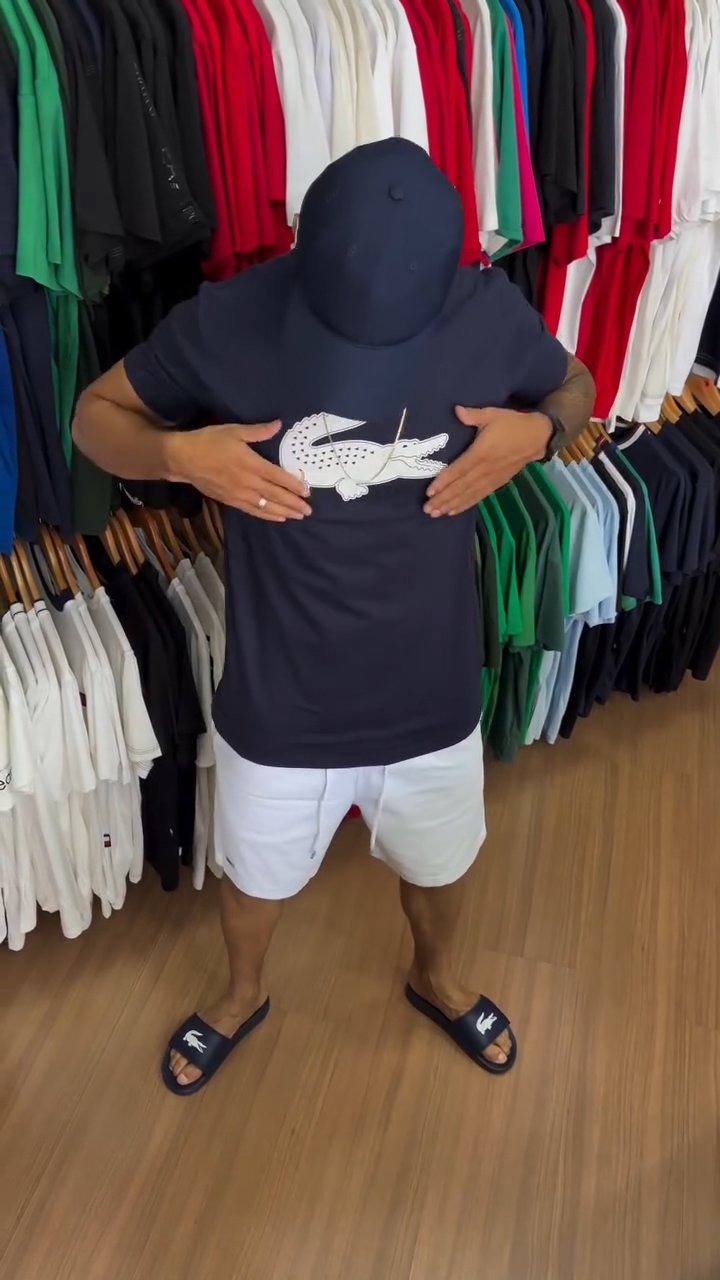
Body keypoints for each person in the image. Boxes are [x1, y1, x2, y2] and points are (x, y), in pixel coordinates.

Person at [73, 139, 595, 1095]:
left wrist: (540, 431)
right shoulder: (232, 316)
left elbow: (579, 384)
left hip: (429, 683)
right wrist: (183, 457)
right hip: (281, 693)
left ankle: (437, 978)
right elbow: (93, 418)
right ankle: (241, 995)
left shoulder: (484, 310)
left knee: (440, 867)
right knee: (254, 879)